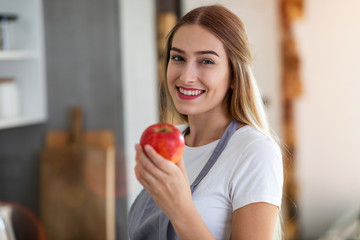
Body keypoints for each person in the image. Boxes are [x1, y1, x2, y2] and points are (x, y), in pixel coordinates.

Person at [128, 4, 283, 240]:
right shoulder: (172, 139)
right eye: (178, 57)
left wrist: (179, 207)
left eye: (206, 61)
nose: (186, 76)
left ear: (234, 75)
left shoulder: (254, 151)